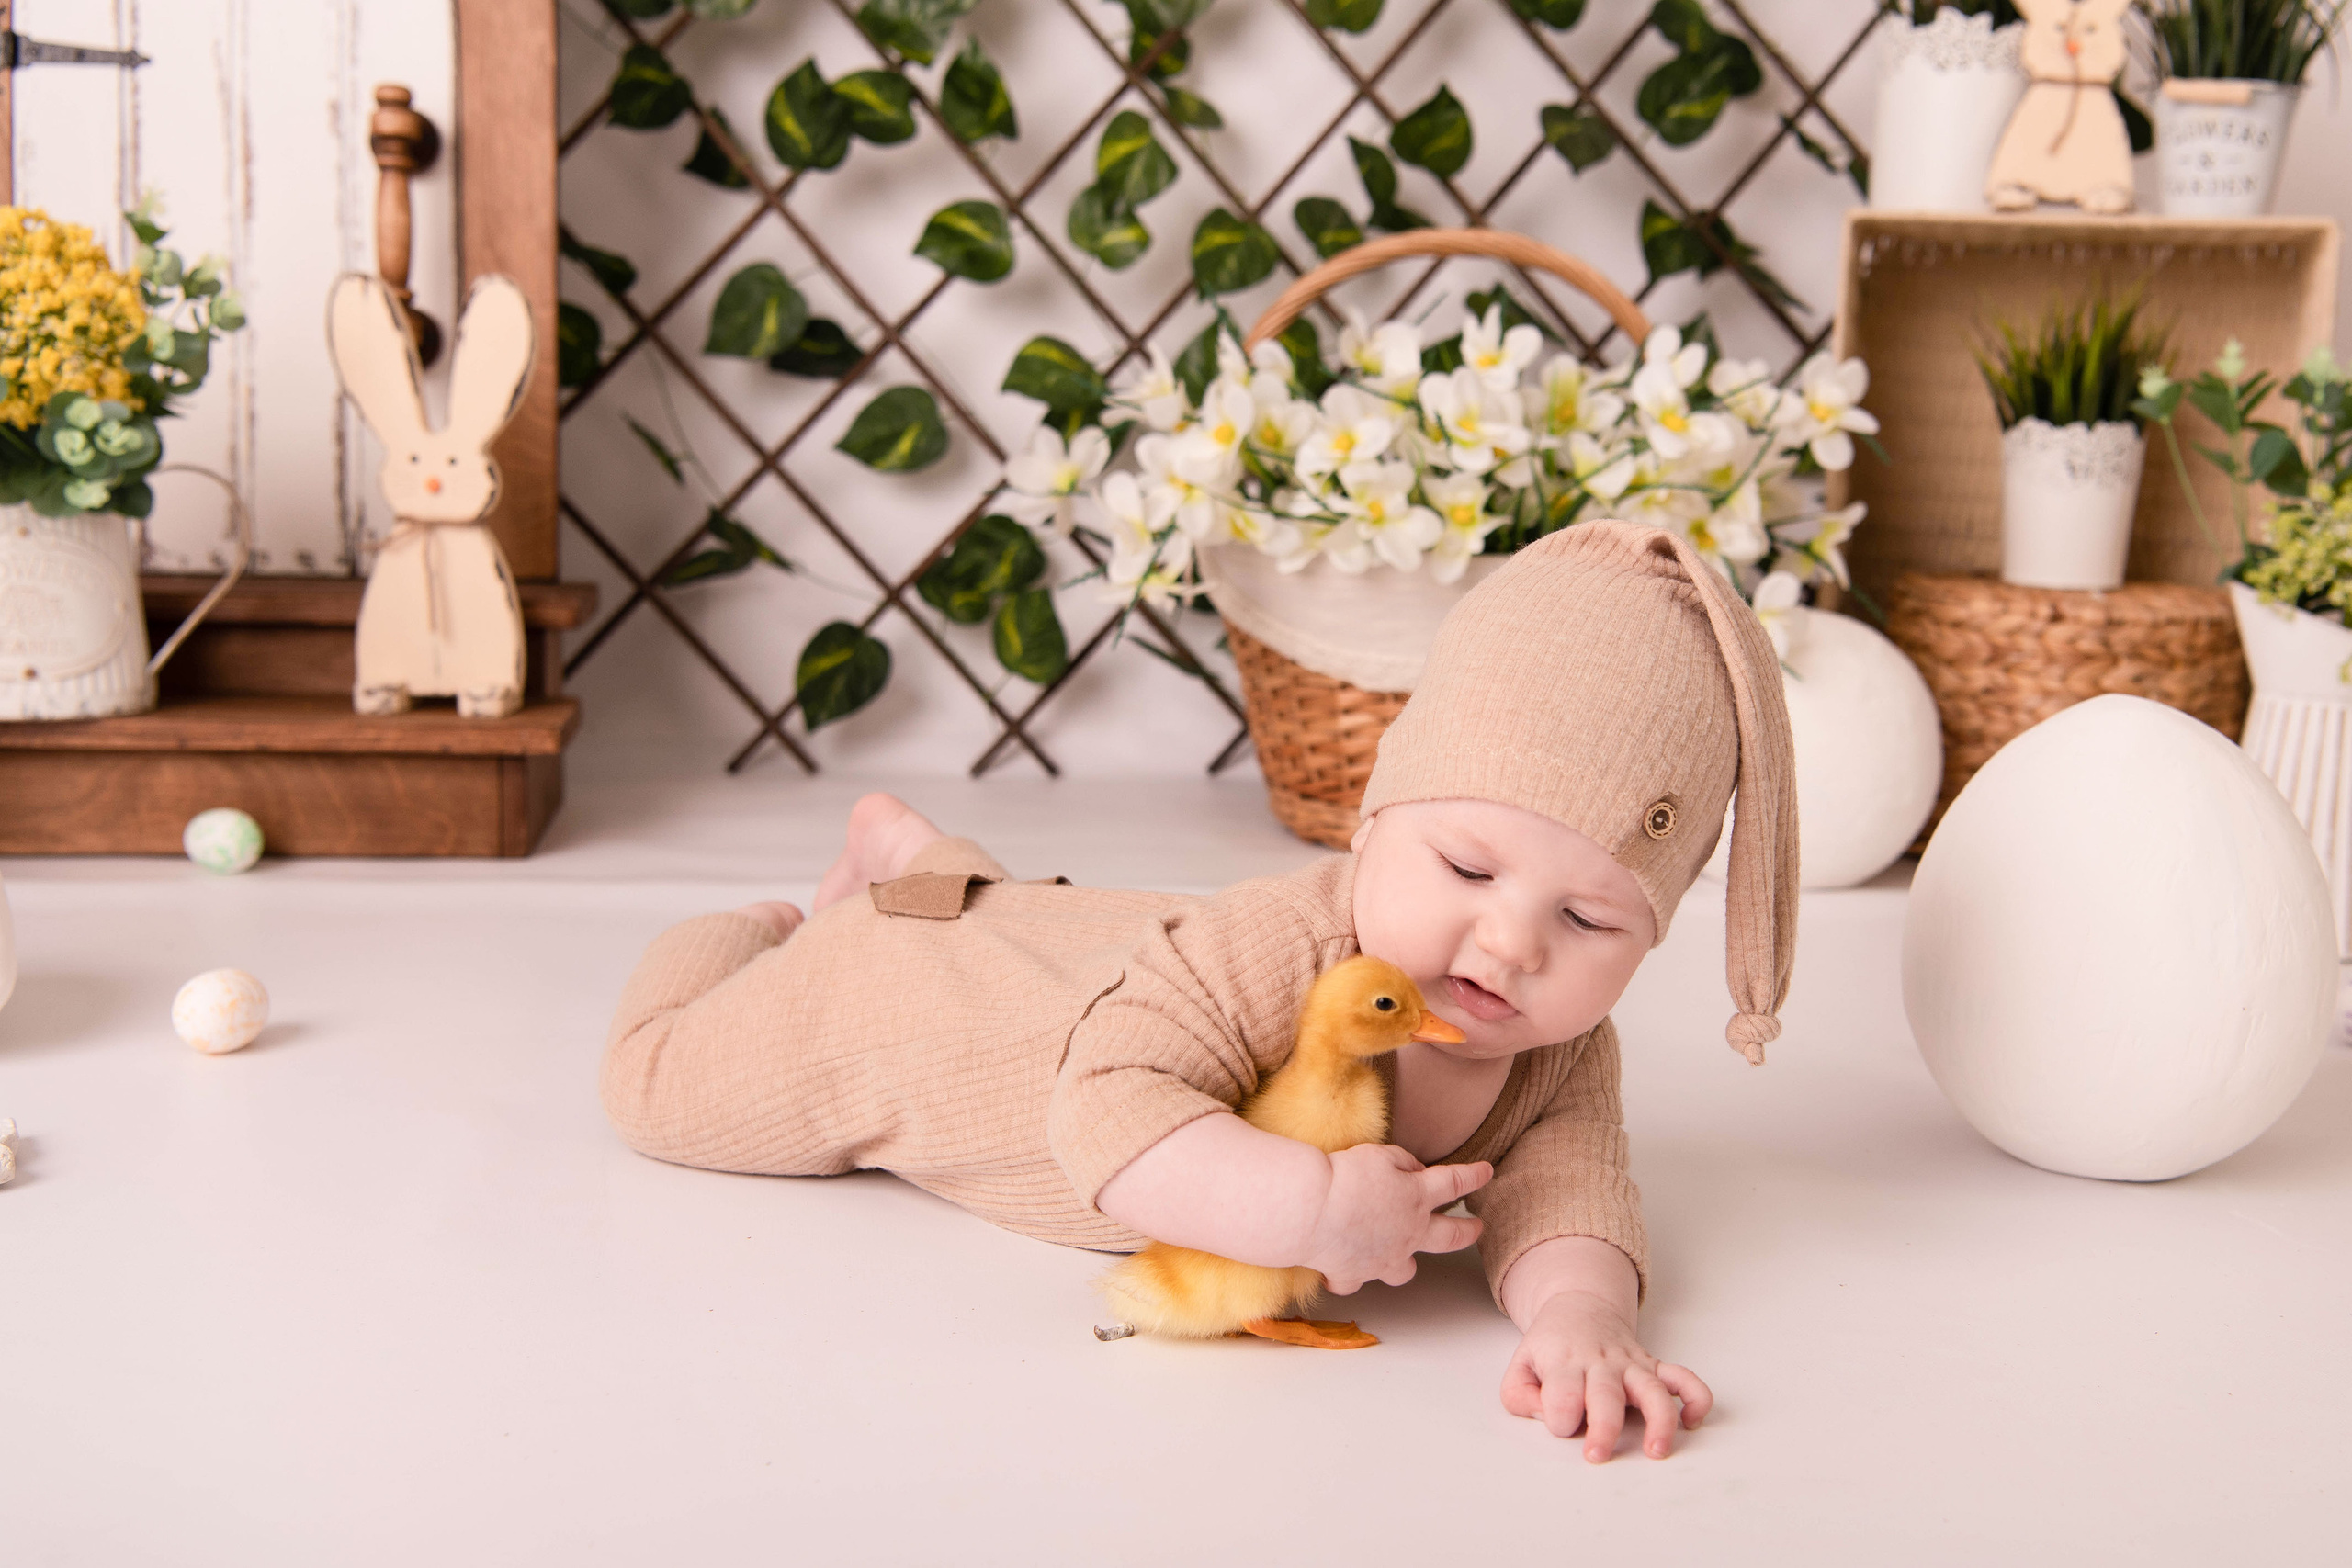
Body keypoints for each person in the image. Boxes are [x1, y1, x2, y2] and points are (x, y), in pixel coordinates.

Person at [601, 519, 1796, 1463]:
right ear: (1377, 820)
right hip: (931, 1021)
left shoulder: (1563, 1050)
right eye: (1468, 867)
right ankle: (762, 929)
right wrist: (1306, 1208)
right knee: (655, 1089)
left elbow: (1568, 1183)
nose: (1511, 943)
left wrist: (1581, 1316)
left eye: (1589, 918)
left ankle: (924, 867)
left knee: (1017, 920)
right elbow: (1104, 1101)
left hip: (1084, 945)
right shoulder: (1279, 941)